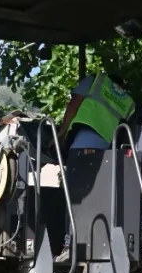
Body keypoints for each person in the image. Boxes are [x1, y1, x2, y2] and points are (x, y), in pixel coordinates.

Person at [50, 71, 137, 263]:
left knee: (74, 199)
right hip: (105, 152)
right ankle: (94, 245)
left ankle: (69, 246)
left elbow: (74, 103)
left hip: (82, 146)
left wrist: (62, 132)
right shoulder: (128, 102)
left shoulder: (96, 81)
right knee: (95, 200)